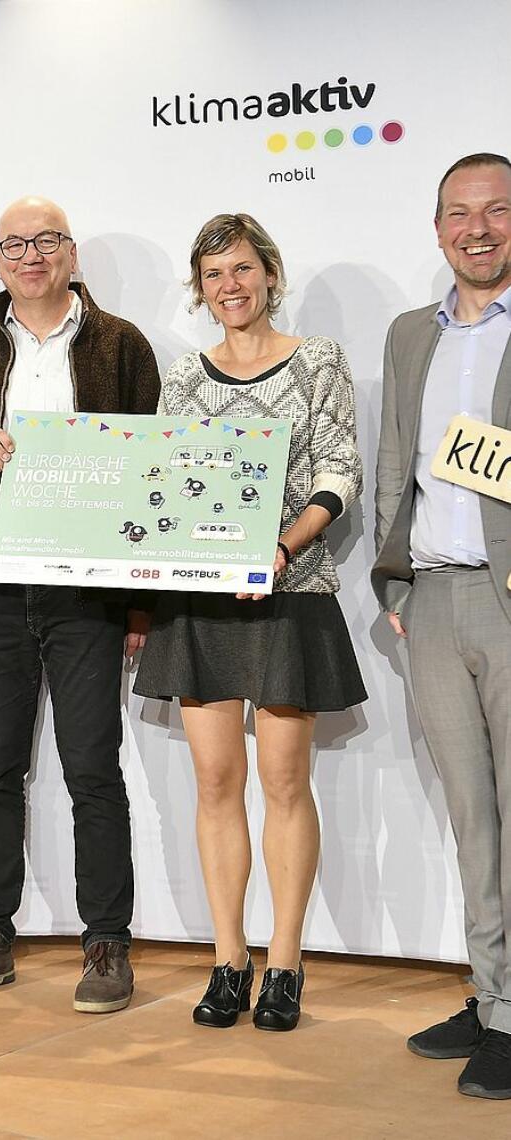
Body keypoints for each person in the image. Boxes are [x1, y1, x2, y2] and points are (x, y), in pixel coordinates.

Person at [0, 197, 159, 1014]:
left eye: (47, 241)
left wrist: (139, 607)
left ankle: (107, 942)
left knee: (93, 769)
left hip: (87, 591)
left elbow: (150, 470)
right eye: (15, 245)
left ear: (71, 252)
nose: (32, 255)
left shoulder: (123, 345)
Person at [134, 213, 365, 1032]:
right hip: (200, 603)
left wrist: (280, 545)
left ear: (269, 272)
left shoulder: (320, 362)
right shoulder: (183, 378)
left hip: (289, 592)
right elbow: (164, 483)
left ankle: (287, 963)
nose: (229, 286)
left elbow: (341, 471)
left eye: (241, 269)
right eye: (213, 274)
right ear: (199, 289)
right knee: (214, 783)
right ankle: (228, 959)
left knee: (284, 782)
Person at [373, 152, 511, 1099]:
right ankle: (494, 992)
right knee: (472, 818)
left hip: (505, 600)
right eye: (461, 213)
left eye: (498, 212)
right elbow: (395, 458)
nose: (479, 229)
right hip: (432, 597)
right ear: (437, 229)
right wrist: (394, 587)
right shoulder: (407, 334)